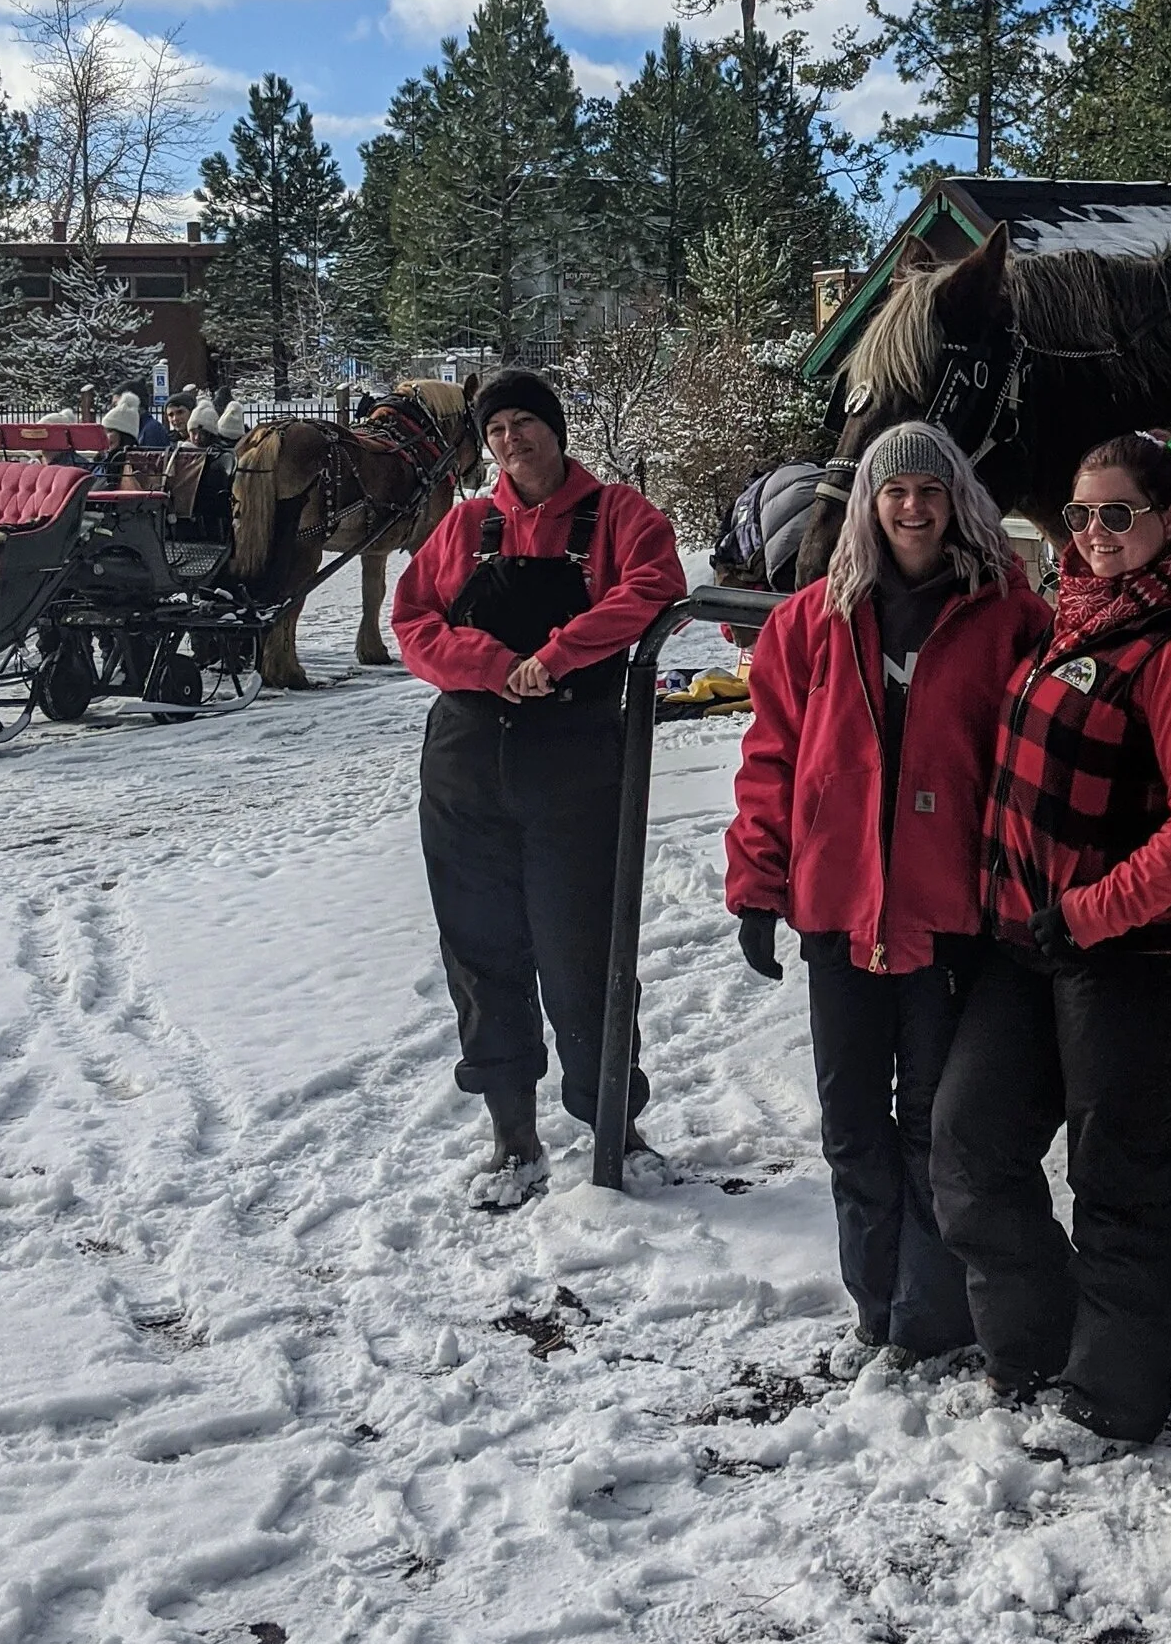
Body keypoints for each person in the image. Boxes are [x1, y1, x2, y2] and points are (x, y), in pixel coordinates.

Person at [932, 432, 1171, 1445]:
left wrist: (1088, 912)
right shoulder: (1070, 623)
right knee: (969, 1140)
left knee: (1121, 1180)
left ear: (1170, 521)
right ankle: (1033, 1347)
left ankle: (1113, 1399)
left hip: (1135, 959)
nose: (1096, 534)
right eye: (1080, 514)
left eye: (1119, 514)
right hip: (1029, 943)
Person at [725, 425, 1048, 1368]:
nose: (913, 508)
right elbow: (771, 760)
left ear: (959, 504)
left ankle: (932, 1311)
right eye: (894, 490)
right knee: (854, 1124)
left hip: (950, 916)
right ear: (868, 502)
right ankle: (877, 1306)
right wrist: (756, 881)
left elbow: (1029, 770)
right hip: (839, 910)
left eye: (931, 491)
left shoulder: (1006, 620)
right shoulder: (808, 622)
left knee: (931, 1129)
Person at [392, 368, 688, 1206]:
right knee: (481, 949)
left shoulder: (621, 516)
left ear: (556, 428)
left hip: (575, 761)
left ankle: (615, 1131)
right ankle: (511, 1136)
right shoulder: (466, 525)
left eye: (525, 422)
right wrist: (492, 667)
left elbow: (652, 590)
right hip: (466, 758)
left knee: (582, 949)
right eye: (496, 430)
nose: (512, 440)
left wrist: (553, 657)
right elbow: (413, 621)